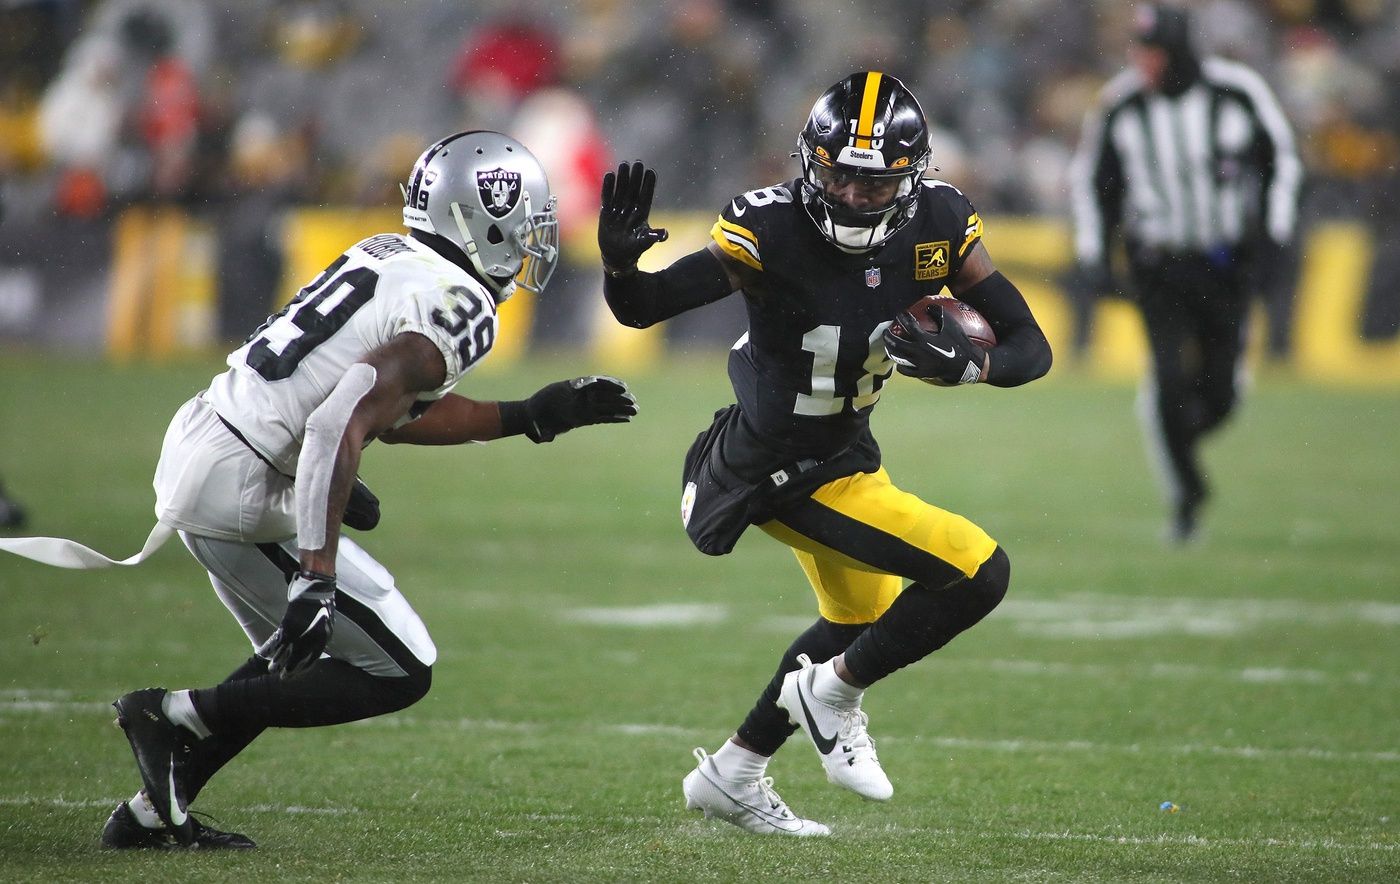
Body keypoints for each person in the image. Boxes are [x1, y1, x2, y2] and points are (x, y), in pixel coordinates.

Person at [0, 131, 637, 849]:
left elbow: (379, 414)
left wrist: (528, 417)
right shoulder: (461, 303)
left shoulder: (388, 254)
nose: (530, 237)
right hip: (245, 476)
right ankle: (171, 713)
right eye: (522, 219)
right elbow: (344, 414)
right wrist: (317, 569)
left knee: (290, 659)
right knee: (400, 665)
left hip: (212, 439)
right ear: (478, 220)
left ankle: (152, 814)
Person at [596, 71, 1051, 836]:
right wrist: (618, 268)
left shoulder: (941, 220)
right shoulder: (767, 229)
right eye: (839, 175)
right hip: (774, 464)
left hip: (844, 448)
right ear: (810, 161)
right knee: (978, 572)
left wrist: (975, 366)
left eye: (876, 184)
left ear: (913, 177)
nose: (853, 196)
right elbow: (642, 311)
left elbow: (1029, 345)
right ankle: (830, 695)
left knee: (857, 618)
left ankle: (734, 772)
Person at [1068, 2, 1302, 542]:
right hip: (1161, 266)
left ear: (1177, 54)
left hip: (1224, 263)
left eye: (1152, 53)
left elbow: (1281, 161)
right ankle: (1188, 493)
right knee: (1171, 380)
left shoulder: (1236, 92)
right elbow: (1095, 183)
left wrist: (1274, 235)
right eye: (1138, 50)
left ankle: (1176, 446)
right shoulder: (1121, 105)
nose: (1140, 63)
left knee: (1220, 395)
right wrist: (1095, 254)